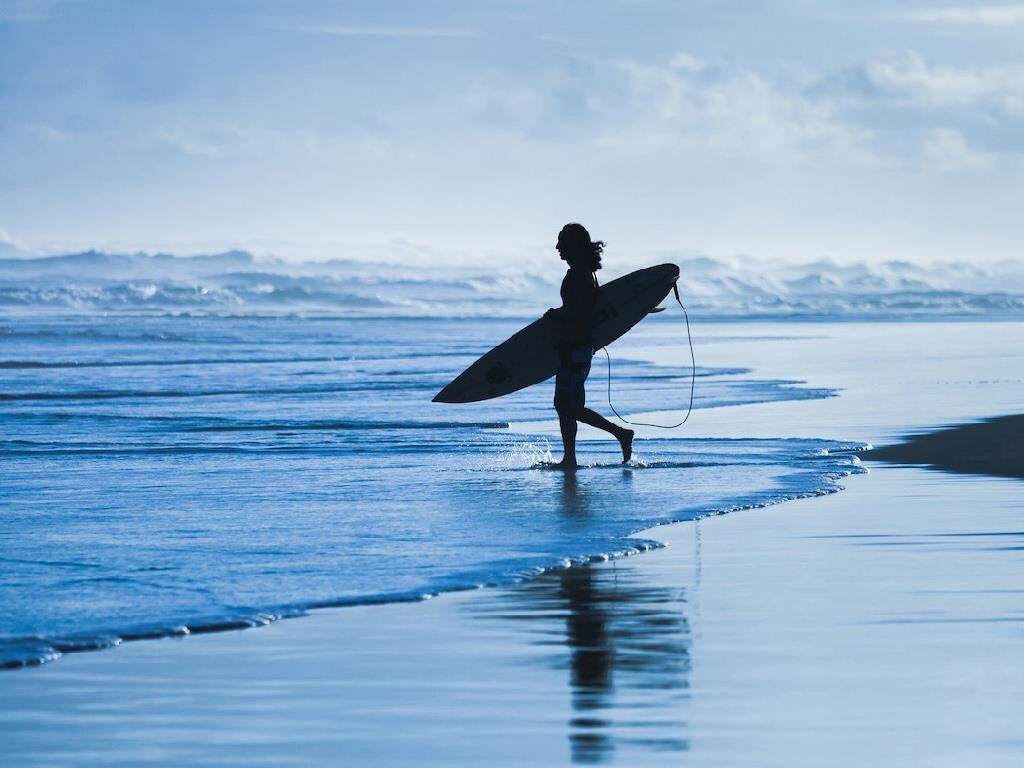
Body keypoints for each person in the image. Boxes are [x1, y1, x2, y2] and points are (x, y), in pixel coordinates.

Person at [545, 223, 633, 470]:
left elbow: (580, 313)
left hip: (575, 348)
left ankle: (620, 433)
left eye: (562, 242)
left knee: (568, 406)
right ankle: (570, 458)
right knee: (566, 407)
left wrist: (557, 315)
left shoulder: (578, 276)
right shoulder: (585, 273)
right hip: (579, 348)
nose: (557, 247)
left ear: (573, 245)